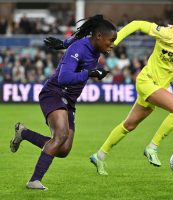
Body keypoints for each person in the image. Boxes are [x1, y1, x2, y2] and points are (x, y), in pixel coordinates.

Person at [10, 15, 117, 189]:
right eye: (111, 40)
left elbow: (75, 39)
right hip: (54, 92)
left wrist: (63, 43)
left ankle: (24, 133)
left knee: (63, 149)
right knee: (60, 137)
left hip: (69, 101)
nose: (113, 44)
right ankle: (34, 181)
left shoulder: (91, 45)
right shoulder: (79, 48)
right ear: (98, 36)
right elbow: (64, 77)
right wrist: (89, 73)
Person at [90, 10, 173, 175]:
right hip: (146, 82)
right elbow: (137, 24)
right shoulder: (165, 33)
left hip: (158, 87)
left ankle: (99, 155)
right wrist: (115, 41)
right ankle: (152, 148)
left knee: (129, 125)